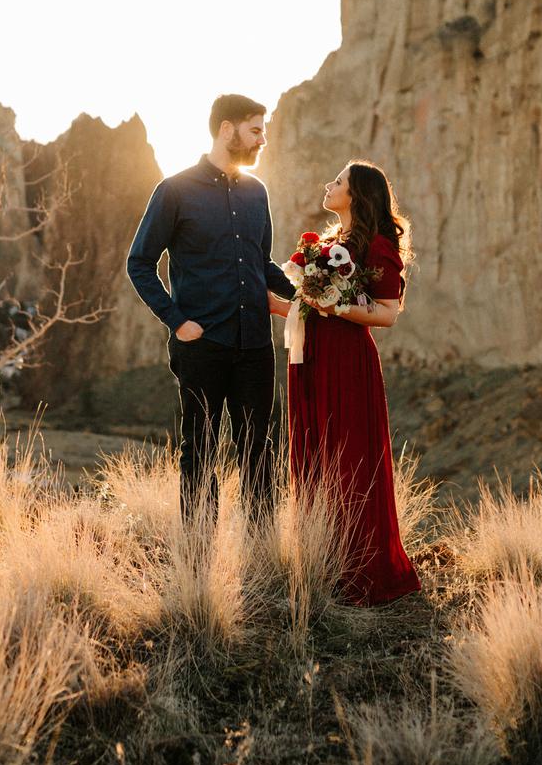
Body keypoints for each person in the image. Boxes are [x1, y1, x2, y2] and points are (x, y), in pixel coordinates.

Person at [127, 94, 297, 528]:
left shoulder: (257, 193)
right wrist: (178, 322)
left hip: (256, 345)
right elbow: (140, 263)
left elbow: (262, 262)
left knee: (261, 450)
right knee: (199, 451)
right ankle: (198, 560)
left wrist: (307, 295)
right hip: (202, 345)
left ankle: (261, 555)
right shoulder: (175, 190)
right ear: (227, 129)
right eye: (256, 130)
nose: (263, 140)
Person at [272, 160, 421, 606]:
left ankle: (362, 568)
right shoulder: (327, 246)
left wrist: (335, 306)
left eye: (337, 181)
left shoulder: (377, 247)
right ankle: (322, 561)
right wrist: (270, 302)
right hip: (311, 360)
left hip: (348, 364)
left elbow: (387, 314)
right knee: (314, 453)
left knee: (350, 458)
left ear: (355, 195)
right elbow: (309, 306)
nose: (327, 185)